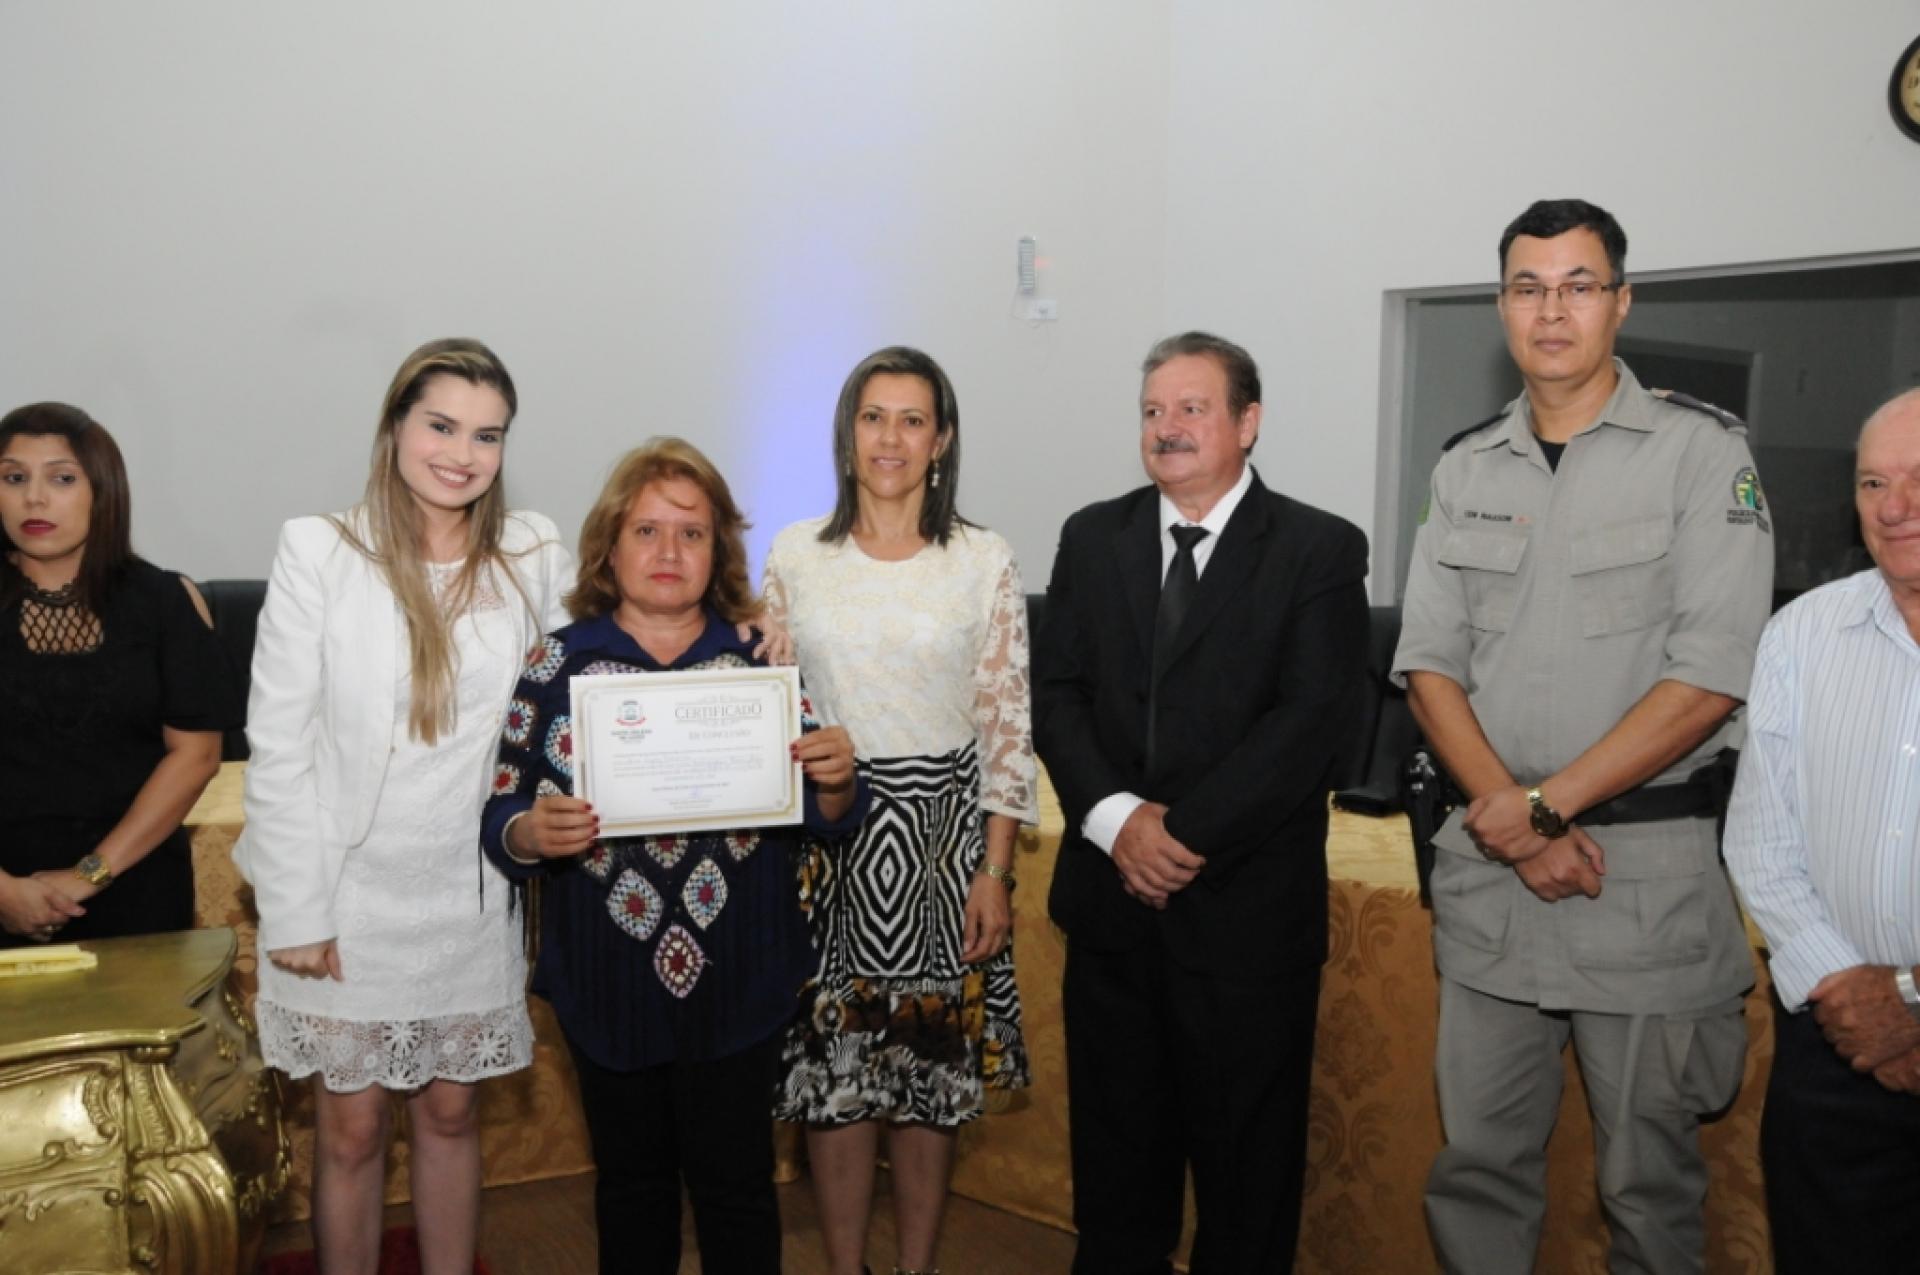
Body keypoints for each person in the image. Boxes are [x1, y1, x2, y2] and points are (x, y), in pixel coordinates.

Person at [1393, 199, 1774, 1273]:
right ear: (1502, 306)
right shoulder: (1465, 468)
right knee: (1477, 1174)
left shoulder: (1702, 455)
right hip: (1494, 878)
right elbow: (1428, 665)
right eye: (1528, 287)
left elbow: (1711, 675)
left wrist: (1545, 808)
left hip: (1639, 882)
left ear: (1621, 301)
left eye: (1578, 286)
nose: (1551, 310)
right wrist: (1515, 824)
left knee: (1647, 1193)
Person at [480, 437, 867, 1275]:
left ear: (718, 551)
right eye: (647, 530)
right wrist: (529, 831)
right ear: (609, 546)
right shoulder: (557, 661)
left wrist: (838, 779)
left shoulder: (759, 659)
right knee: (631, 1191)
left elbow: (825, 816)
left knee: (739, 1191)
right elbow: (502, 810)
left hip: (741, 977)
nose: (668, 551)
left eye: (692, 534)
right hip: (606, 979)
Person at [1033, 331, 1369, 1274]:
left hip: (1244, 920)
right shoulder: (1091, 536)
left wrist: (1175, 835)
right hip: (1112, 915)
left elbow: (1310, 725)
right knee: (1115, 1181)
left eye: (1191, 408)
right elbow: (1054, 695)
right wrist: (1116, 822)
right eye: (1152, 410)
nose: (1167, 427)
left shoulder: (1318, 548)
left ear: (1247, 422)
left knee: (1245, 1191)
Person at [236, 338, 574, 1275]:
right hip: (346, 893)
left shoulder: (532, 552)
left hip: (468, 894)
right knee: (350, 1129)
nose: (462, 453)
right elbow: (280, 744)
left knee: (452, 1113)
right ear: (394, 427)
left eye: (487, 435)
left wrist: (751, 618)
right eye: (441, 425)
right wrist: (296, 912)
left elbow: (609, 649)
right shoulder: (320, 548)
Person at [768, 346, 1037, 1275]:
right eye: (873, 416)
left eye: (912, 419)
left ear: (941, 440)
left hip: (944, 845)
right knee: (836, 1081)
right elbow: (773, 701)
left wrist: (994, 870)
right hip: (829, 841)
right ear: (848, 434)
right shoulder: (795, 554)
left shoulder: (983, 558)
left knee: (929, 1080)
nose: (891, 438)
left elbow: (1007, 724)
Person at [1724, 388, 1920, 1272]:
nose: (1894, 506)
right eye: (1874, 482)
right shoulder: (1803, 632)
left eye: (1919, 480)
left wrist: (1908, 1000)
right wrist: (1850, 996)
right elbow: (1761, 843)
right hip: (1835, 1049)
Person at [0, 402, 235, 947]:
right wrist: (5, 892)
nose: (35, 498)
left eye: (62, 478)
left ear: (103, 490)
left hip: (134, 887)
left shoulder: (163, 601)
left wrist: (87, 877)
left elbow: (196, 756)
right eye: (14, 478)